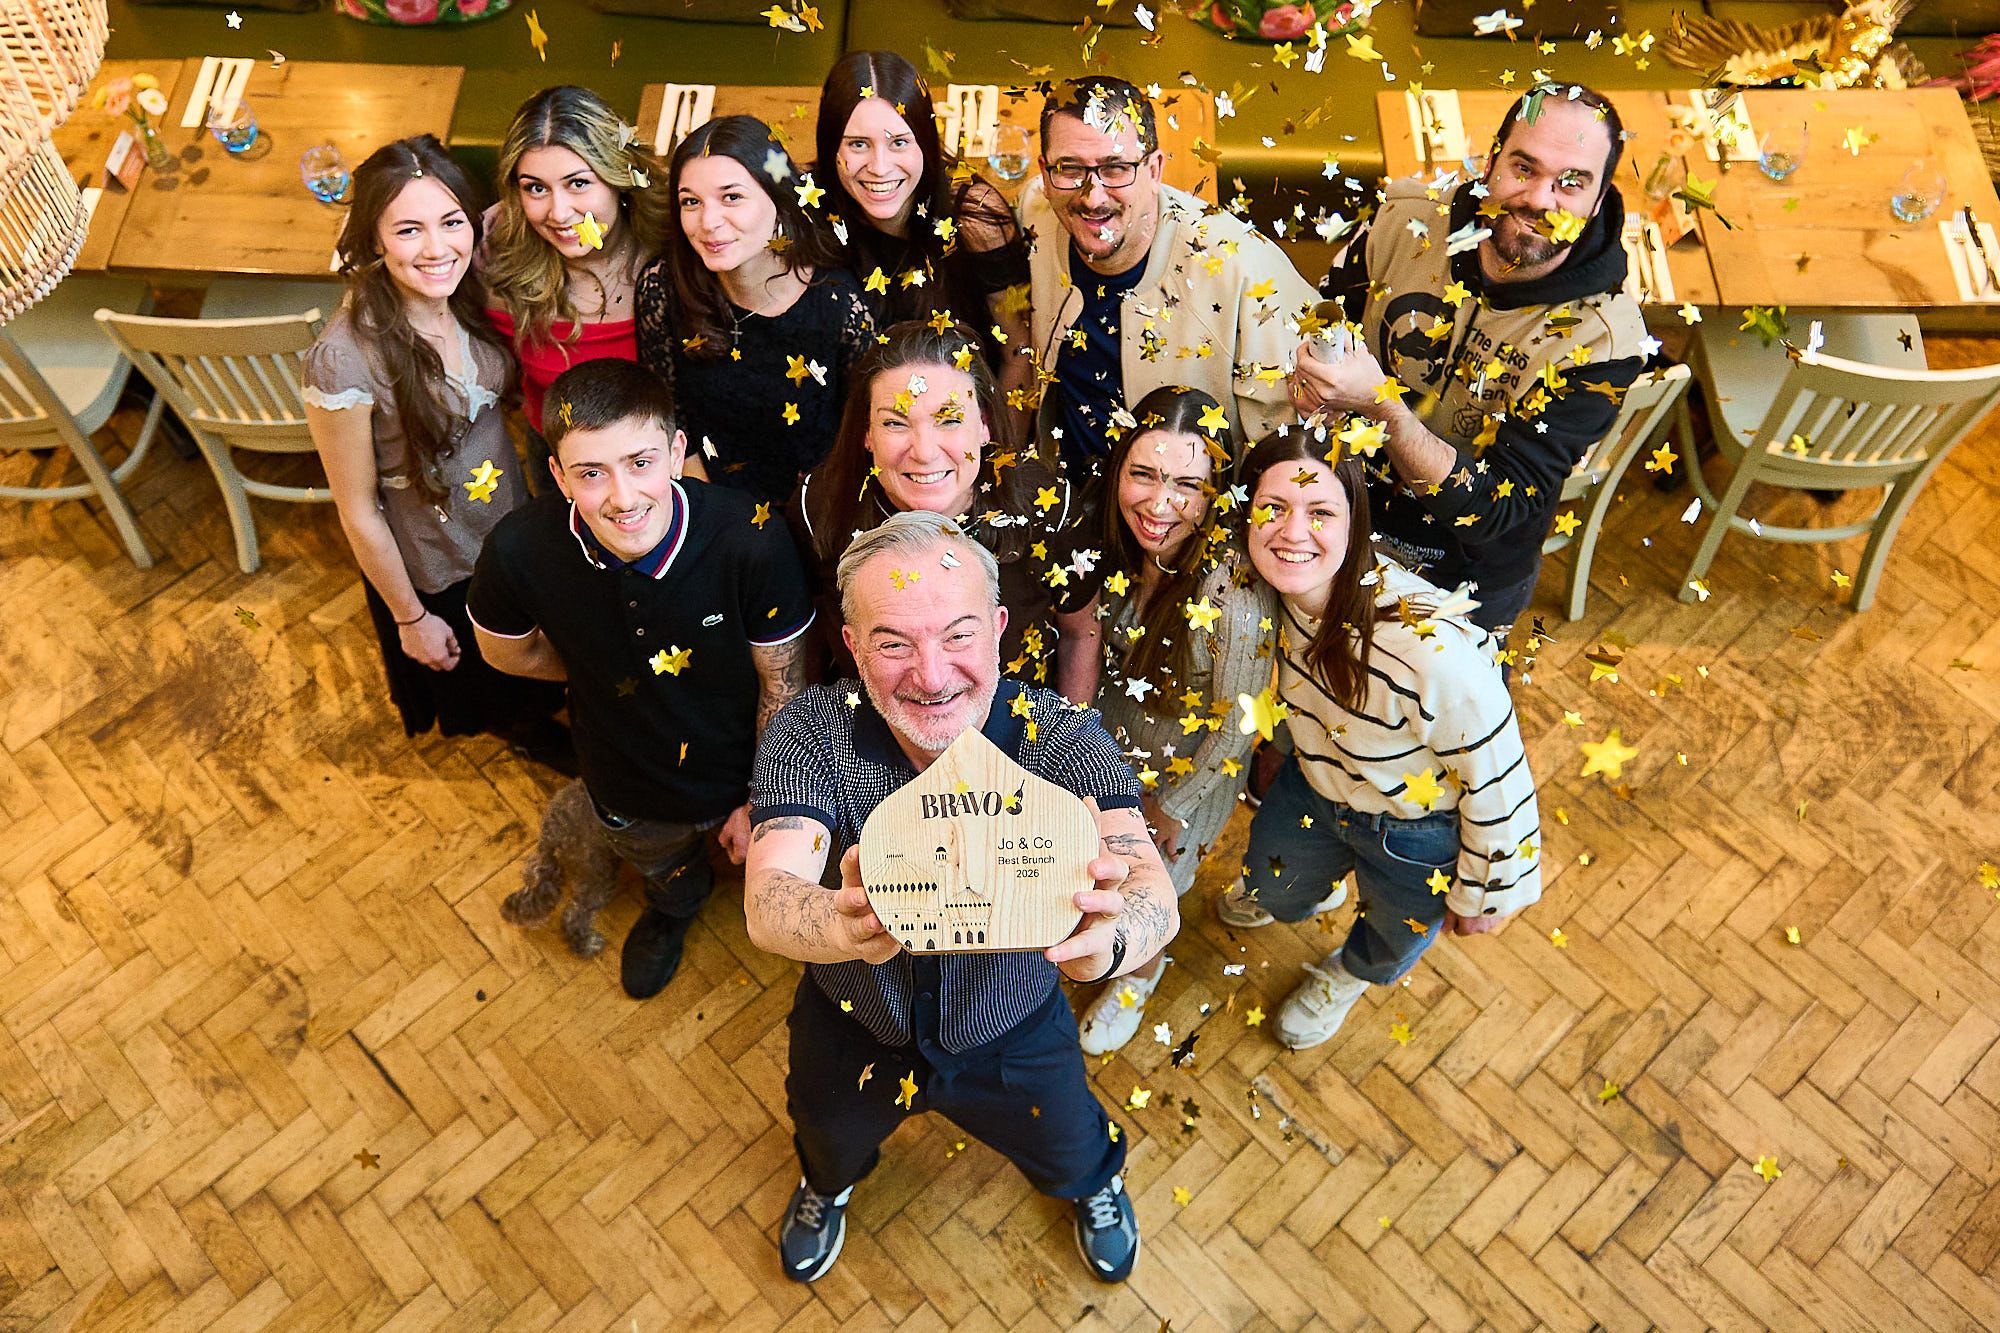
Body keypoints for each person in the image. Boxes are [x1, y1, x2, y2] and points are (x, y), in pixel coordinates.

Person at [744, 509, 1178, 1285]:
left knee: (1071, 1139)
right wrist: (838, 924)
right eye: (893, 642)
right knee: (826, 1133)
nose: (934, 674)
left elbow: (1147, 879)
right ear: (851, 646)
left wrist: (1111, 942)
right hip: (854, 1023)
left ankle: (1093, 1183)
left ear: (1001, 628)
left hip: (1013, 1025)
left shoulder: (1059, 733)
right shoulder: (812, 732)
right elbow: (769, 891)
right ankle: (828, 1182)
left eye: (957, 634)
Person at [467, 359, 814, 999]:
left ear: (678, 451)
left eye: (641, 462)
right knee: (663, 867)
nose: (623, 498)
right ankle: (674, 907)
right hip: (623, 778)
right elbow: (505, 653)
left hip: (748, 766)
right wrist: (596, 669)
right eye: (591, 473)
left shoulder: (752, 539)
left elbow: (784, 686)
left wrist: (764, 801)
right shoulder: (519, 550)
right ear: (557, 475)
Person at [1291, 81, 1651, 646]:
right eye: (1523, 168)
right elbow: (1323, 314)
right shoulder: (1405, 217)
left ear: (1600, 199)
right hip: (1341, 511)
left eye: (1571, 183)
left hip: (1466, 573)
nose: (1539, 199)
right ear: (1491, 161)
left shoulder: (1604, 341)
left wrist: (1383, 410)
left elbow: (1497, 510)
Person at [1224, 432, 1543, 1050]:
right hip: (1315, 789)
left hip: (1412, 831)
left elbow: (1500, 775)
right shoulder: (1267, 588)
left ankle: (1350, 974)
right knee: (1273, 884)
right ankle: (1314, 888)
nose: (1293, 533)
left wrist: (1488, 892)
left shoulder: (1431, 651)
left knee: (1393, 933)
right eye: (1273, 509)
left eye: (1320, 513)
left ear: (1355, 521)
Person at [304, 135, 571, 768]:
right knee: (489, 678)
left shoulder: (467, 286)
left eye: (450, 222)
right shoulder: (344, 361)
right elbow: (358, 511)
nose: (436, 249)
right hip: (439, 559)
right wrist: (410, 618)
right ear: (373, 239)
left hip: (506, 517)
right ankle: (525, 731)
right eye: (407, 230)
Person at [1071, 385, 1274, 1054]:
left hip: (1177, 786)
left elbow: (1238, 725)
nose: (1161, 504)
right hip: (1106, 752)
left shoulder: (1231, 597)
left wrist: (1172, 807)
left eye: (1189, 484)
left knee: (1151, 891)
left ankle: (1141, 971)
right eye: (1145, 475)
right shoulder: (1112, 543)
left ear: (1218, 495)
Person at [1020, 76, 1316, 478]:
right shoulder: (1036, 210)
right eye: (1070, 168)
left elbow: (1297, 453)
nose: (1092, 196)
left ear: (1155, 168)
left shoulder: (1245, 271)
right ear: (1045, 171)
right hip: (1067, 501)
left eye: (1116, 168)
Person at [798, 319, 1100, 700]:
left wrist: (1068, 744)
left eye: (950, 419)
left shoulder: (1045, 504)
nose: (924, 452)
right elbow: (805, 639)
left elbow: (1080, 632)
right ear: (867, 434)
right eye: (895, 422)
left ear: (984, 425)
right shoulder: (823, 506)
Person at [635, 115, 876, 504]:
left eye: (732, 197)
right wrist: (717, 520)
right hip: (707, 501)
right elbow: (669, 418)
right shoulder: (664, 286)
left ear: (779, 202)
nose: (708, 222)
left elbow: (861, 438)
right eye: (691, 202)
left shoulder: (838, 303)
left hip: (818, 508)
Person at [816, 50, 1034, 434]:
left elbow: (1020, 351)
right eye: (857, 144)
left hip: (963, 437)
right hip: (854, 436)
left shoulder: (974, 215)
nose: (880, 167)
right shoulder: (812, 213)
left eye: (899, 142)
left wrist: (998, 464)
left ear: (925, 142)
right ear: (831, 147)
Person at [483, 86, 672, 459]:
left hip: (673, 460)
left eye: (579, 183)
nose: (559, 212)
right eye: (536, 188)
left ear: (618, 177)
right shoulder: (497, 268)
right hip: (560, 462)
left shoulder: (679, 251)